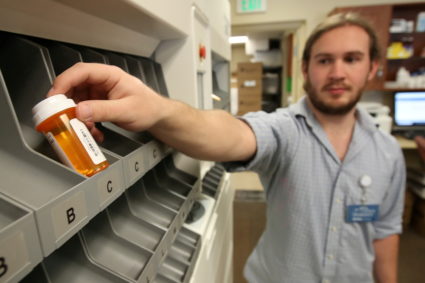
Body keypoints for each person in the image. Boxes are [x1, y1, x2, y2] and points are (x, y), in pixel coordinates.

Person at [47, 13, 405, 283]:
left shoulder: (388, 153)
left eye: (352, 59)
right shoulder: (287, 130)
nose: (337, 72)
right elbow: (225, 133)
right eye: (325, 60)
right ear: (307, 68)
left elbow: (385, 240)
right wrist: (155, 108)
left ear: (373, 67)